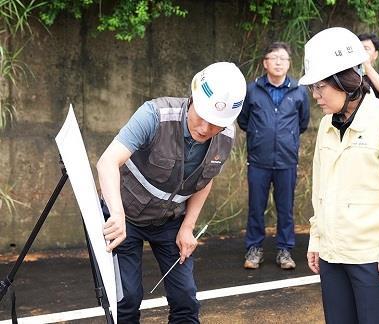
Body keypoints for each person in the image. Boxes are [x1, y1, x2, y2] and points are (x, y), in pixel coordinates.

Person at [96, 62, 246, 323]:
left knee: (186, 299)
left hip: (169, 222)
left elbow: (205, 179)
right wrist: (117, 214)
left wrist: (188, 226)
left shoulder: (226, 136)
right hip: (125, 217)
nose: (205, 129)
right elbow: (107, 161)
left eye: (215, 125)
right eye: (201, 117)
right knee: (127, 299)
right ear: (193, 99)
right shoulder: (155, 115)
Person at [301, 27, 379, 324]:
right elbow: (321, 189)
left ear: (346, 80)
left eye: (320, 87)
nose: (316, 96)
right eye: (312, 88)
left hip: (373, 257)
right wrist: (316, 238)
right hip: (332, 254)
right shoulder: (327, 126)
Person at [237, 42, 310, 270]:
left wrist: (285, 139)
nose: (279, 62)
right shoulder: (252, 90)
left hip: (287, 160)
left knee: (285, 208)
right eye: (274, 58)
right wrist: (261, 137)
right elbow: (244, 120)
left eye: (283, 58)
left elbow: (303, 123)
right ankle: (254, 249)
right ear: (265, 62)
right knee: (256, 207)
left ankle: (285, 250)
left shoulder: (299, 91)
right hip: (259, 160)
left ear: (289, 64)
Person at [358, 32, 379, 99]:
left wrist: (367, 65)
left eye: (366, 48)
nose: (361, 51)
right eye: (358, 48)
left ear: (375, 55)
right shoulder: (347, 73)